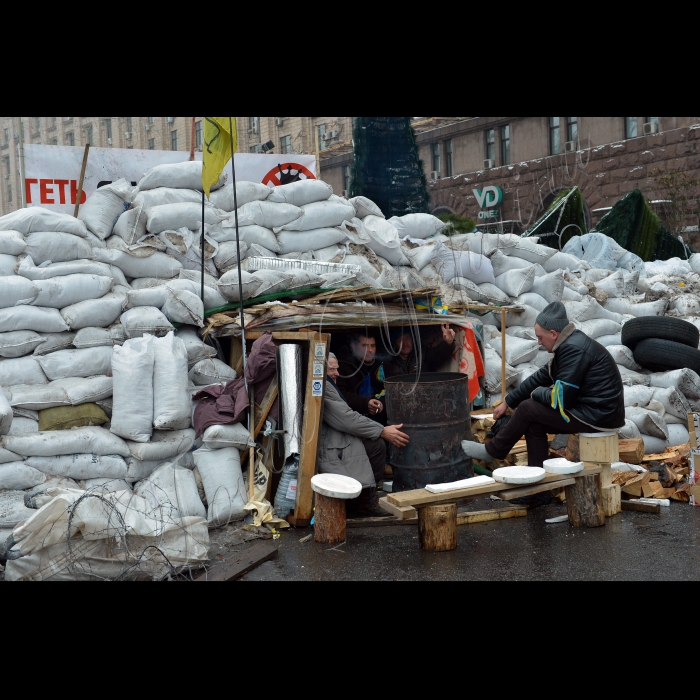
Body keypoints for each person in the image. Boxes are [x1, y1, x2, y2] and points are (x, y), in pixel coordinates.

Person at [461, 302, 625, 506]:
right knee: (533, 422)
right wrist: (508, 401)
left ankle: (494, 450)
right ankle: (539, 492)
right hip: (592, 410)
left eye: (540, 337)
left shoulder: (573, 349)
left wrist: (536, 395)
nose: (539, 342)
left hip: (599, 415)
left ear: (554, 333)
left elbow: (562, 398)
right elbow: (540, 377)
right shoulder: (567, 345)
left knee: (529, 408)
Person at [322, 354, 410, 516]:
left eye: (337, 368)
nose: (337, 373)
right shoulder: (323, 387)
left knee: (375, 446)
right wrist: (382, 431)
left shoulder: (327, 385)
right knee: (375, 446)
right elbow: (346, 419)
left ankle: (365, 499)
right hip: (331, 445)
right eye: (332, 369)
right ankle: (362, 503)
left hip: (338, 438)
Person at [336, 333, 387, 422]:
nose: (369, 350)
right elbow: (339, 394)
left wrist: (381, 404)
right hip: (352, 419)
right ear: (354, 347)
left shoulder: (384, 365)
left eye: (372, 346)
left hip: (380, 418)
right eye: (364, 346)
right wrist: (365, 403)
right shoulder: (343, 366)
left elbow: (392, 392)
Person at [384, 324, 457, 380]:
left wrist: (447, 343)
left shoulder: (423, 354)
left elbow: (438, 354)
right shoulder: (389, 364)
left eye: (407, 338)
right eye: (400, 340)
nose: (405, 343)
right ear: (394, 345)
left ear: (412, 340)